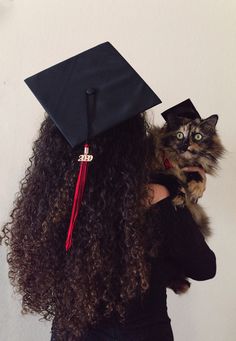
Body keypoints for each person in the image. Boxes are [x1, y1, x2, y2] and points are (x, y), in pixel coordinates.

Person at [0, 42, 216, 341]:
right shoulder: (155, 196)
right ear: (132, 141)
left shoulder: (51, 203)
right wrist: (181, 197)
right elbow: (203, 267)